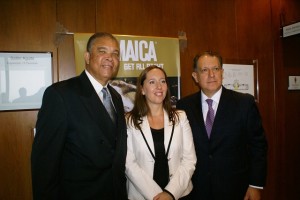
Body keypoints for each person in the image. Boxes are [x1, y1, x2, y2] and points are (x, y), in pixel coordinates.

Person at [31, 32, 127, 200]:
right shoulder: (61, 95)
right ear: (88, 57)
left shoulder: (116, 97)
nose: (110, 58)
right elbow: (44, 164)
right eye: (102, 51)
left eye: (115, 54)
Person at [176, 51, 268, 200]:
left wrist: (255, 185)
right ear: (195, 76)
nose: (211, 74)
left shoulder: (244, 103)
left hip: (236, 189)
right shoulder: (184, 106)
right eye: (204, 70)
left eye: (216, 69)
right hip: (196, 190)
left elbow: (258, 146)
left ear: (222, 72)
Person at [125, 65, 197, 200]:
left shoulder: (181, 117)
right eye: (152, 82)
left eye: (162, 81)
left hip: (179, 194)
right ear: (142, 89)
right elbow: (129, 164)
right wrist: (156, 196)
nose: (159, 86)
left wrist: (170, 193)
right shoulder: (129, 121)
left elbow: (189, 160)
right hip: (143, 195)